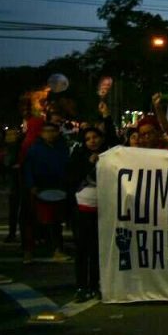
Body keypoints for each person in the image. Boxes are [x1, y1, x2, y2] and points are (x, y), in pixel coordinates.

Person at [64, 125, 110, 301]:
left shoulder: (109, 155)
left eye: (95, 137)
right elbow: (71, 178)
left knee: (98, 249)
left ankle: (95, 284)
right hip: (82, 210)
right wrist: (89, 163)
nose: (92, 141)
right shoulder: (78, 156)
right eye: (88, 139)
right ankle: (82, 286)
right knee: (82, 249)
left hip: (104, 209)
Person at [23, 121, 72, 263]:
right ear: (41, 133)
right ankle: (29, 251)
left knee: (56, 222)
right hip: (40, 189)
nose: (50, 134)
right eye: (46, 131)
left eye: (52, 131)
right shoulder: (35, 149)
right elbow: (28, 168)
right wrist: (31, 185)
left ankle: (57, 249)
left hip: (59, 189)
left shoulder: (62, 148)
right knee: (37, 221)